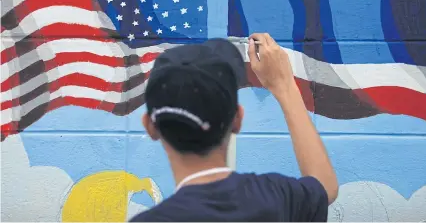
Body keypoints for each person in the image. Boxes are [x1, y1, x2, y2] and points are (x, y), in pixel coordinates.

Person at [130, 33, 338, 222]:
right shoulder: (276, 200)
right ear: (237, 120)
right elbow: (323, 186)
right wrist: (284, 87)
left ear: (150, 127)